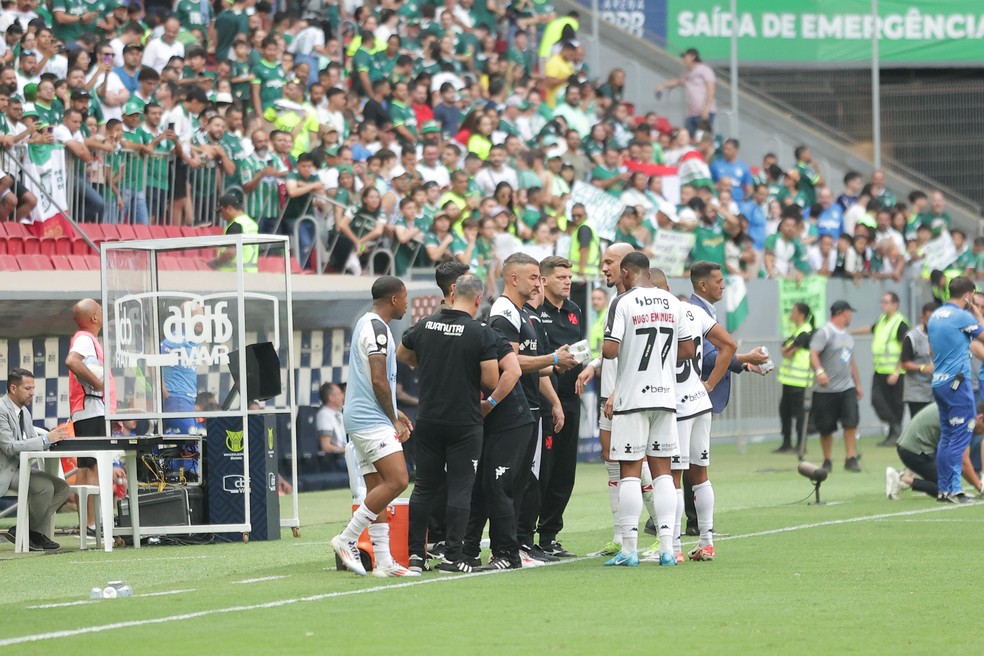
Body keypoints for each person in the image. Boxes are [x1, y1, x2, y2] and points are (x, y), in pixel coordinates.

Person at [398, 274, 500, 574]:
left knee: (424, 488)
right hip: (463, 422)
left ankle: (416, 555)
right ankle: (453, 557)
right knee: (460, 488)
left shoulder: (426, 324)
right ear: (478, 299)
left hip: (428, 417)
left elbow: (404, 354)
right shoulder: (479, 332)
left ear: (452, 294)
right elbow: (491, 381)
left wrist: (430, 361)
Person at [601, 251, 695, 567]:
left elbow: (610, 351)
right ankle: (668, 547)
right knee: (663, 472)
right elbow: (687, 350)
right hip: (666, 397)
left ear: (627, 273)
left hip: (632, 398)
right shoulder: (673, 303)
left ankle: (629, 549)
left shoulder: (623, 302)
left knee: (629, 471)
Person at [330, 276, 418, 578]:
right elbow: (378, 379)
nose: (407, 304)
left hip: (362, 417)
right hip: (371, 420)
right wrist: (392, 418)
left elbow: (380, 382)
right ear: (394, 299)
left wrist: (396, 412)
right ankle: (347, 538)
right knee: (398, 481)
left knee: (378, 487)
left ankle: (383, 561)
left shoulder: (366, 324)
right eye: (405, 298)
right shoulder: (378, 328)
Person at [490, 253, 575, 565]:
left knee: (529, 480)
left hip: (531, 407)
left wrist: (553, 396)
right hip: (515, 409)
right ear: (514, 279)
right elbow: (510, 364)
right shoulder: (505, 313)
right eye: (534, 277)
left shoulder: (524, 314)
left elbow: (532, 367)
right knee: (513, 481)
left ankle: (520, 545)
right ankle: (507, 547)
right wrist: (553, 360)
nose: (538, 283)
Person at [651, 268, 736, 564]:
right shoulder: (691, 310)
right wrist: (709, 384)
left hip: (677, 406)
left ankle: (673, 546)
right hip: (701, 402)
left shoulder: (658, 315)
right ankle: (706, 542)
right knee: (700, 475)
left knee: (673, 477)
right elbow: (730, 345)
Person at [533, 256, 584, 558]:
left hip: (571, 399)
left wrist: (583, 368)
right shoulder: (537, 312)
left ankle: (550, 535)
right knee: (543, 471)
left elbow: (578, 349)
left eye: (569, 276)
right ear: (545, 279)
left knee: (565, 472)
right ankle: (530, 534)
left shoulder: (574, 310)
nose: (567, 281)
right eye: (562, 277)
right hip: (545, 401)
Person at [926, 275, 984, 503]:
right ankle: (955, 490)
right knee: (961, 437)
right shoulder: (962, 316)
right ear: (968, 295)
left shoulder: (936, 316)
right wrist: (977, 313)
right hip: (957, 384)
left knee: (947, 436)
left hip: (939, 382)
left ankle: (944, 489)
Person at [0, 368, 70, 551]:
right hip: (6, 470)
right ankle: (33, 534)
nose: (32, 392)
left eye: (33, 388)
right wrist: (46, 439)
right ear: (13, 388)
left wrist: (55, 440)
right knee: (45, 487)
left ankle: (26, 531)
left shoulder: (25, 412)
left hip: (22, 467)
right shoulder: (1, 409)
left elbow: (33, 442)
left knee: (63, 488)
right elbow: (9, 447)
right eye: (28, 388)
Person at [64, 297, 115, 537]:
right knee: (93, 466)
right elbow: (72, 361)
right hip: (91, 409)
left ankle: (88, 523)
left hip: (88, 410)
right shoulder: (85, 338)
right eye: (100, 309)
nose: (103, 312)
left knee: (87, 467)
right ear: (94, 317)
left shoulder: (87, 338)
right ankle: (93, 525)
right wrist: (99, 384)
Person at [886, 403, 984, 501]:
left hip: (919, 447)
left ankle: (910, 472)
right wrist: (980, 487)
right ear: (980, 418)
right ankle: (903, 479)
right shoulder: (963, 420)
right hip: (914, 451)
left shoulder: (963, 410)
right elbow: (963, 463)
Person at [810, 300, 864, 473]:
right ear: (843, 313)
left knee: (851, 422)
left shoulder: (847, 336)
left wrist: (858, 383)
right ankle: (827, 459)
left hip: (846, 387)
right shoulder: (825, 332)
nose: (851, 317)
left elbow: (850, 361)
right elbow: (813, 353)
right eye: (850, 313)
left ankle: (850, 457)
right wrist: (819, 372)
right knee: (826, 427)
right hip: (825, 390)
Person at [851, 292, 909, 446]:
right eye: (882, 302)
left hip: (895, 373)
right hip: (880, 370)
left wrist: (897, 371)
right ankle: (895, 427)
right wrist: (850, 332)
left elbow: (905, 349)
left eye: (886, 302)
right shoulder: (882, 320)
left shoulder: (900, 323)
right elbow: (871, 329)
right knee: (877, 401)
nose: (882, 305)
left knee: (896, 404)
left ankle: (893, 434)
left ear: (895, 304)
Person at [776, 303, 815, 453]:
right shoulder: (797, 331)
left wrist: (786, 349)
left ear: (801, 314)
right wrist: (786, 349)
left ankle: (801, 445)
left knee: (800, 414)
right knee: (784, 412)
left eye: (793, 311)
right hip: (788, 380)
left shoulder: (805, 332)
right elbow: (785, 349)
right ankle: (786, 443)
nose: (791, 313)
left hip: (800, 381)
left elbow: (788, 351)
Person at [161, 301, 204, 435]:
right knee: (192, 446)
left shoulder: (192, 341)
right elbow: (153, 358)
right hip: (177, 399)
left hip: (187, 401)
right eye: (198, 316)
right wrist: (164, 392)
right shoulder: (175, 339)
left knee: (183, 446)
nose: (202, 321)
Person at [654, 48, 716, 137]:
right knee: (688, 137)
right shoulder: (687, 74)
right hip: (692, 113)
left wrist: (706, 110)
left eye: (685, 57)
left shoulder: (704, 70)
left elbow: (711, 90)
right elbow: (677, 81)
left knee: (702, 138)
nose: (684, 60)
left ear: (692, 57)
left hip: (704, 112)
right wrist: (662, 86)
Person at [900, 303, 935, 419]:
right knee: (919, 425)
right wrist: (922, 367)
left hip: (936, 391)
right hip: (917, 393)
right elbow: (904, 363)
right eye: (928, 319)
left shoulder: (941, 334)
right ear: (922, 318)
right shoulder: (912, 337)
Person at [209, 193, 259, 272]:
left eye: (221, 211)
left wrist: (216, 262)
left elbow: (231, 252)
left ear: (229, 208)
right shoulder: (250, 223)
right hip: (251, 272)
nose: (221, 215)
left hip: (234, 275)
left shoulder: (235, 225)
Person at [316, 382, 345, 455]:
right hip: (337, 458)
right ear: (331, 398)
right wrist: (346, 450)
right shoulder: (324, 415)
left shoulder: (340, 414)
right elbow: (326, 446)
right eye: (340, 393)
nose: (343, 396)